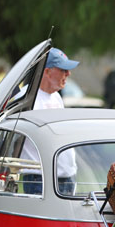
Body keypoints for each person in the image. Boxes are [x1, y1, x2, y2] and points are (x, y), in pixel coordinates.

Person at [21, 47, 79, 195]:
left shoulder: (56, 96)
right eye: (63, 70)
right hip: (39, 178)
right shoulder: (26, 98)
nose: (68, 74)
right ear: (46, 71)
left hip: (65, 176)